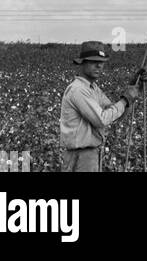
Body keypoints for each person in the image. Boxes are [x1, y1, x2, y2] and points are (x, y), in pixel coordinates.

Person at [59, 41, 141, 172]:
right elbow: (102, 119)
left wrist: (133, 90)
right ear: (82, 63)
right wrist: (126, 99)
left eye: (101, 62)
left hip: (89, 154)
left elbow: (115, 113)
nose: (99, 66)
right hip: (81, 156)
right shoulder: (78, 90)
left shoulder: (93, 89)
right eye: (93, 62)